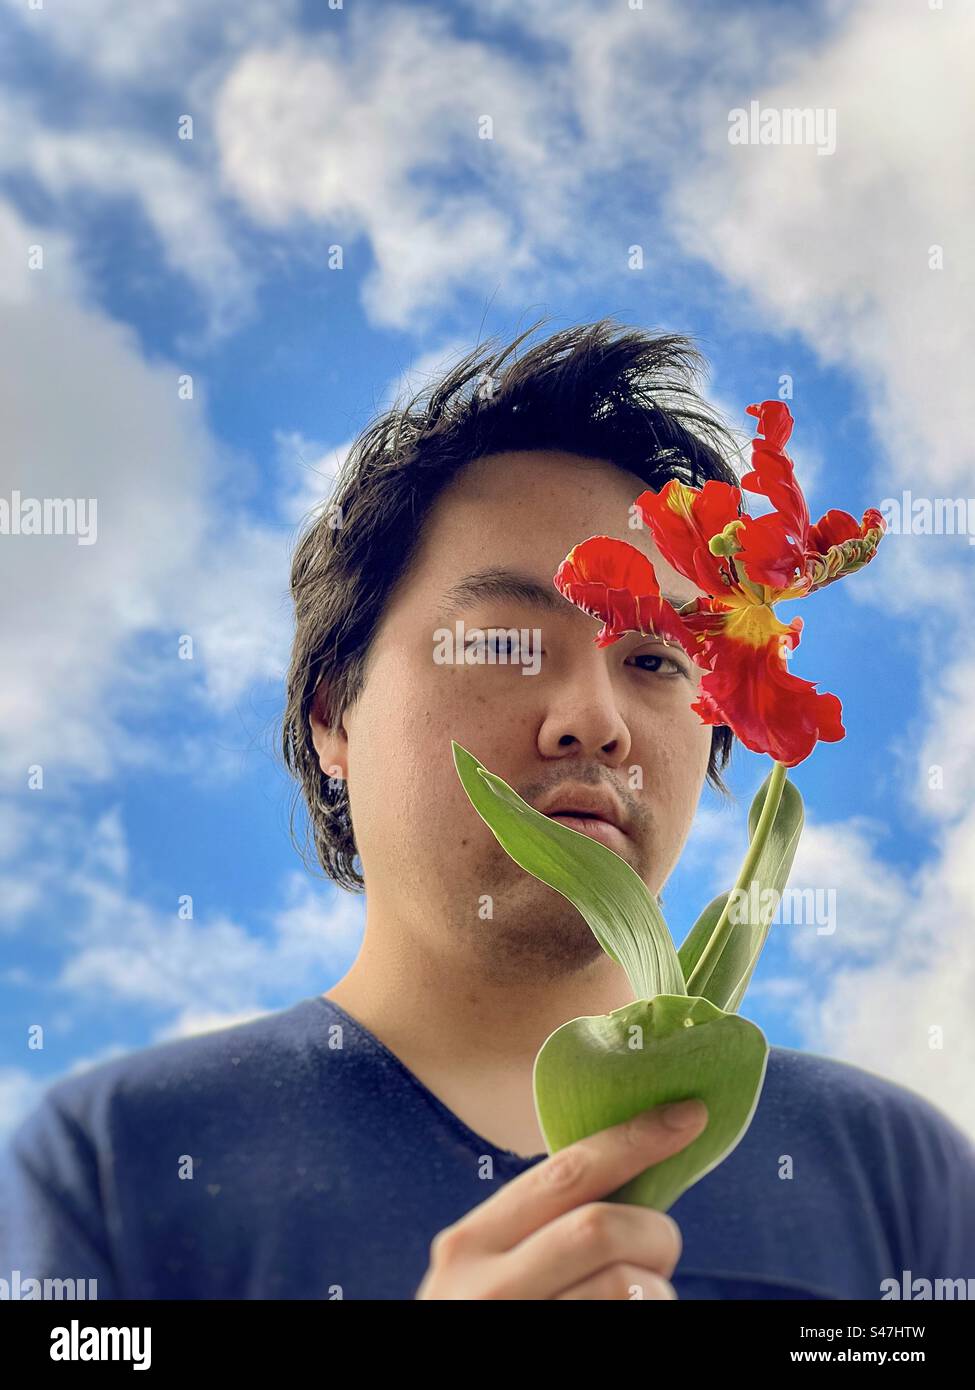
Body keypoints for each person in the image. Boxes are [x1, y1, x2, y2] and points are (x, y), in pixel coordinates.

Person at [3, 320, 973, 1301]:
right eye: (505, 644)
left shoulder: (896, 1174)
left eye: (653, 660)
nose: (595, 721)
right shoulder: (114, 1168)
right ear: (333, 714)